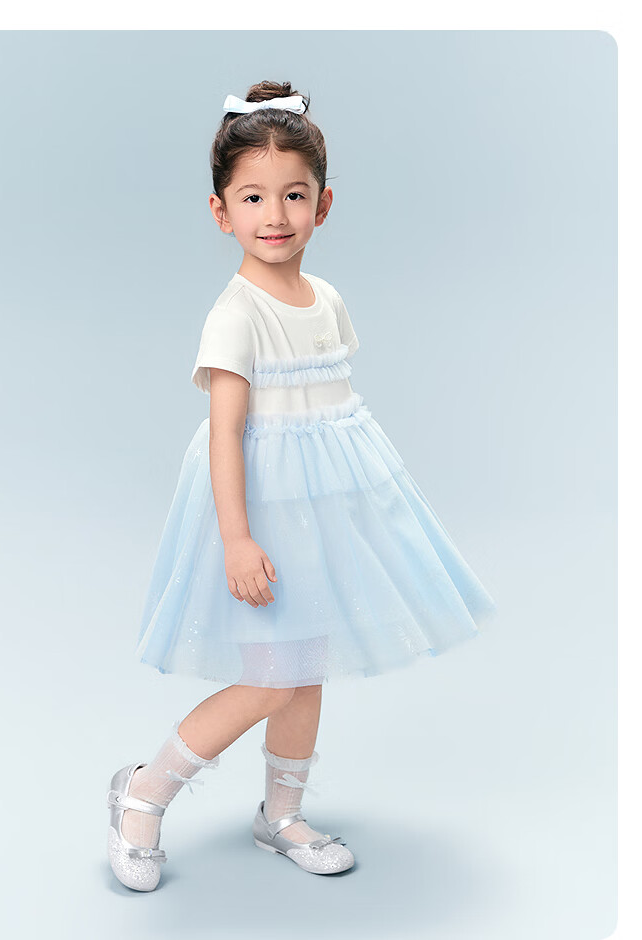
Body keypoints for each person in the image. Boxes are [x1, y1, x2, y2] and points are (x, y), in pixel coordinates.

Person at [106, 80, 497, 891]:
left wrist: (360, 510)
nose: (275, 214)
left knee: (306, 665)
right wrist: (238, 538)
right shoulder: (236, 315)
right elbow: (227, 433)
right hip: (259, 510)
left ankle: (280, 814)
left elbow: (333, 411)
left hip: (325, 508)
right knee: (269, 676)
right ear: (221, 211)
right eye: (253, 197)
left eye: (294, 194)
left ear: (324, 204)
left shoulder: (328, 300)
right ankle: (143, 791)